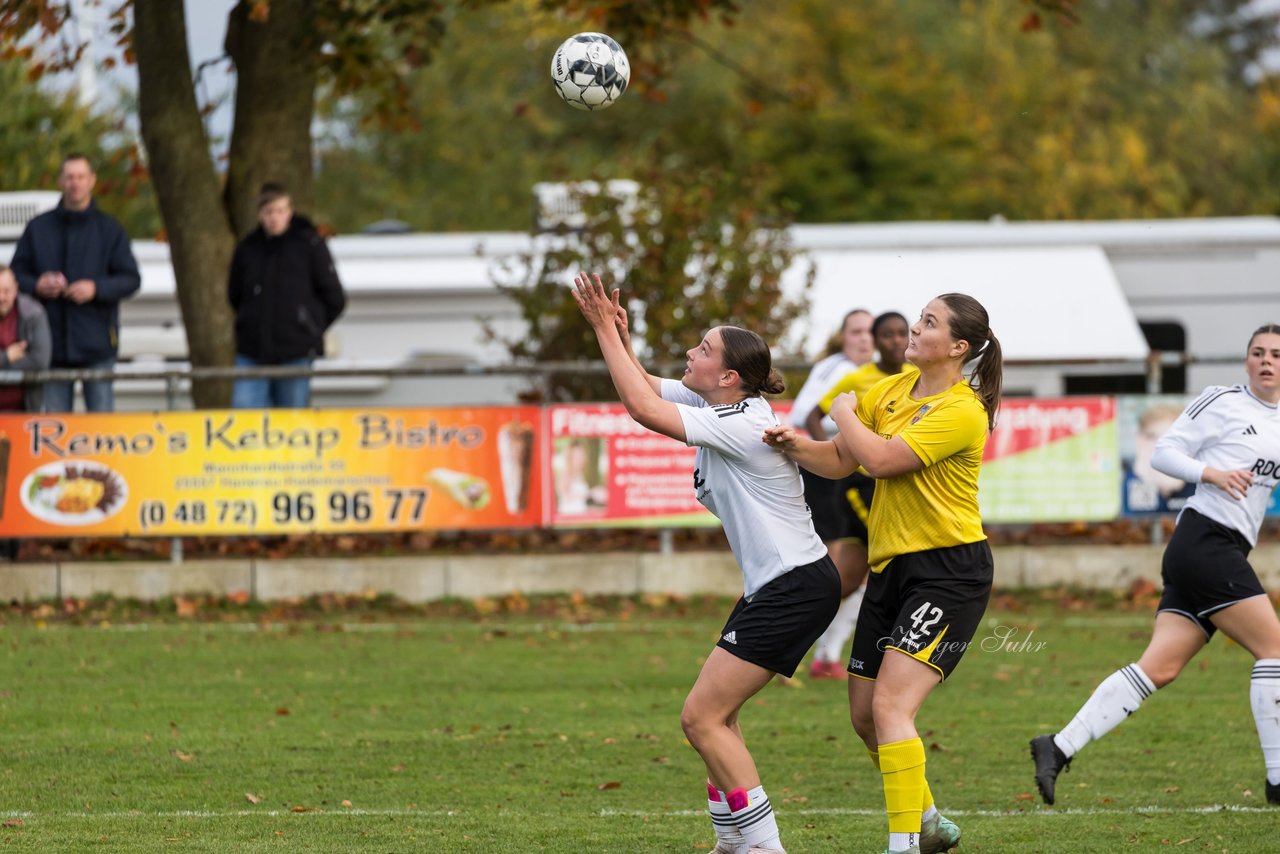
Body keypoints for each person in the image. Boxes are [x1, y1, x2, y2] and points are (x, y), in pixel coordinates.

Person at [572, 272, 840, 854]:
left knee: (701, 720)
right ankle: (733, 843)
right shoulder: (720, 399)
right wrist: (617, 335)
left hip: (793, 586)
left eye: (703, 349)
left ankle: (764, 847)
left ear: (729, 376)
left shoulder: (742, 423)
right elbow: (645, 383)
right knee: (720, 719)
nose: (691, 354)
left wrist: (599, 328)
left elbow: (641, 408)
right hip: (783, 585)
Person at [764, 293, 1002, 854]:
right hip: (890, 569)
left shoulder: (964, 409)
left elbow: (883, 460)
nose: (912, 328)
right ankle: (931, 821)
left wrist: (842, 410)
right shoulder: (887, 391)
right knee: (865, 717)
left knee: (893, 707)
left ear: (959, 347)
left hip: (950, 573)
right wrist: (795, 445)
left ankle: (905, 844)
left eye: (928, 322)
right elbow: (842, 459)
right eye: (920, 317)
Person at [1031, 324, 1280, 807]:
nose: (1267, 360)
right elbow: (1163, 453)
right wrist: (1211, 472)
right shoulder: (1224, 401)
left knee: (1159, 667)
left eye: (1277, 353)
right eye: (1258, 352)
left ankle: (1057, 747)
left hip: (1219, 551)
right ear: (1246, 361)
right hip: (1205, 542)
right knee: (1275, 649)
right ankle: (1277, 780)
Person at [805, 311, 911, 679]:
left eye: (902, 333)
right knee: (894, 566)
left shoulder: (917, 379)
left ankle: (820, 655)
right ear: (876, 341)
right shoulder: (861, 379)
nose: (896, 341)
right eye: (886, 334)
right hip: (863, 488)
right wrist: (834, 461)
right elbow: (815, 415)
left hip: (898, 486)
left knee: (850, 578)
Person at [10, 153, 140, 412]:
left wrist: (96, 289)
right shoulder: (38, 228)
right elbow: (15, 276)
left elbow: (131, 279)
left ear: (91, 180)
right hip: (51, 347)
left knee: (102, 430)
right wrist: (38, 285)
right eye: (69, 177)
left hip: (98, 346)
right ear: (60, 181)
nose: (75, 183)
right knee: (56, 428)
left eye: (81, 177)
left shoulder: (109, 229)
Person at [788, 309, 874, 678]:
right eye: (856, 331)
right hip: (833, 479)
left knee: (864, 570)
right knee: (834, 571)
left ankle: (826, 655)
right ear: (843, 336)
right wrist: (837, 460)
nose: (865, 339)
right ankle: (784, 638)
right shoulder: (836, 369)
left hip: (864, 478)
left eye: (871, 331)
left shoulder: (883, 376)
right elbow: (803, 414)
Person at [228, 182, 346, 408]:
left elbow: (334, 297)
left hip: (295, 351)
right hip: (252, 350)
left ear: (290, 211)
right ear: (259, 214)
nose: (275, 218)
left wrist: (309, 326)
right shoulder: (247, 249)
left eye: (280, 211)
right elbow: (234, 295)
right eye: (269, 212)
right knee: (245, 415)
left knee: (291, 421)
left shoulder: (310, 244)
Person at [0, 265, 51, 561]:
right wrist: (7, 356)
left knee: (16, 481)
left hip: (21, 414)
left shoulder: (33, 314)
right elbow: (24, 360)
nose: (2, 297)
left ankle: (13, 546)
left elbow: (40, 361)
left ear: (16, 289)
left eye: (6, 291)